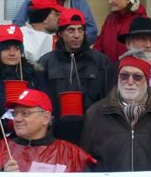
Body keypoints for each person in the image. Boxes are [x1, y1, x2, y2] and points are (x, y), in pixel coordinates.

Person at [37, 8, 115, 144]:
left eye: (80, 30)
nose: (77, 35)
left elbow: (110, 96)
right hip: (56, 131)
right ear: (60, 33)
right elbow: (39, 98)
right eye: (71, 30)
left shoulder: (100, 61)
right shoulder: (46, 62)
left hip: (91, 129)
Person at [94, 0, 148, 64]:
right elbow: (99, 46)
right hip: (108, 71)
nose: (110, 1)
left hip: (129, 71)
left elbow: (143, 55)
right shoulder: (110, 19)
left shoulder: (140, 21)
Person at [20, 0, 62, 64]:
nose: (60, 18)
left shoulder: (62, 34)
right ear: (45, 18)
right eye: (56, 15)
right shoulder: (20, 38)